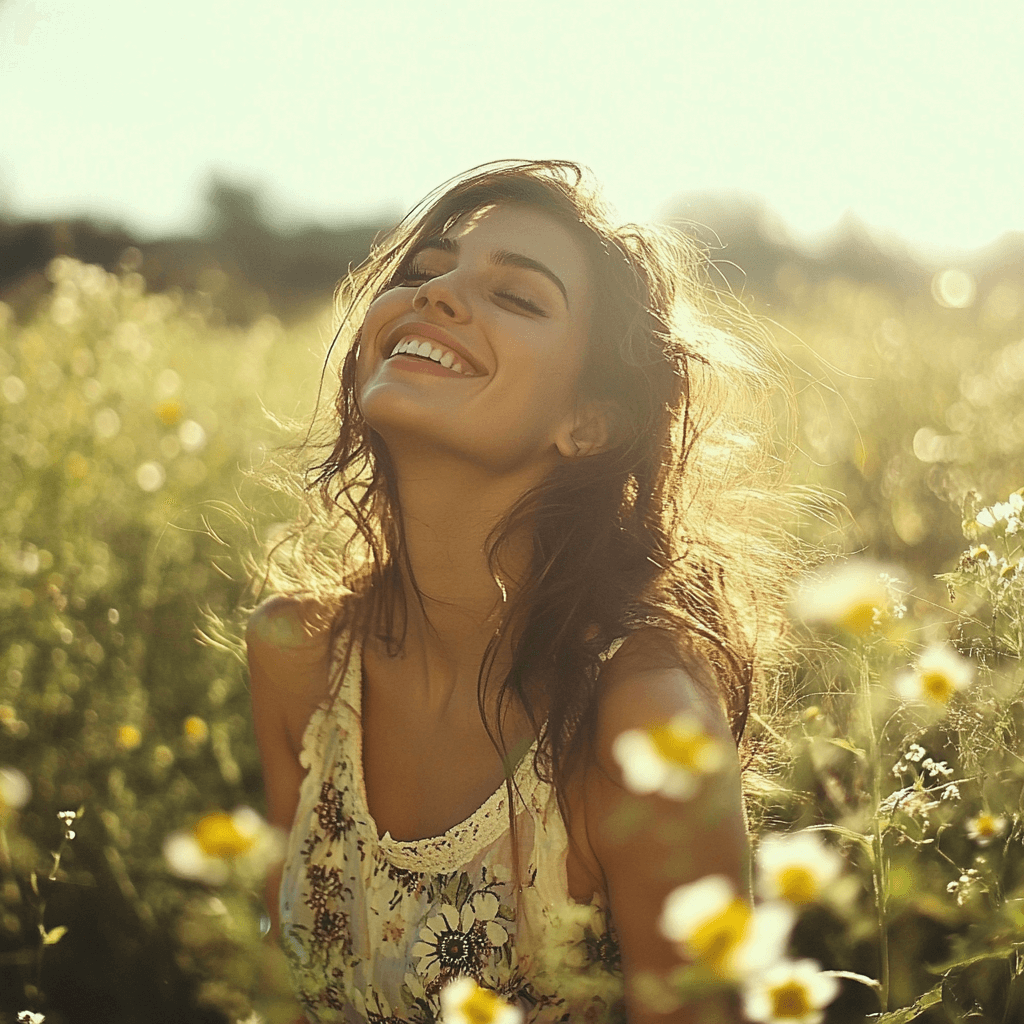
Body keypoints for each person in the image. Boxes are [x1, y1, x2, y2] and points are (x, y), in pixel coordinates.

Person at [246, 160, 794, 1024]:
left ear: (589, 422)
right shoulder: (297, 657)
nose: (436, 294)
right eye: (426, 271)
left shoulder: (641, 720)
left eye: (517, 296)